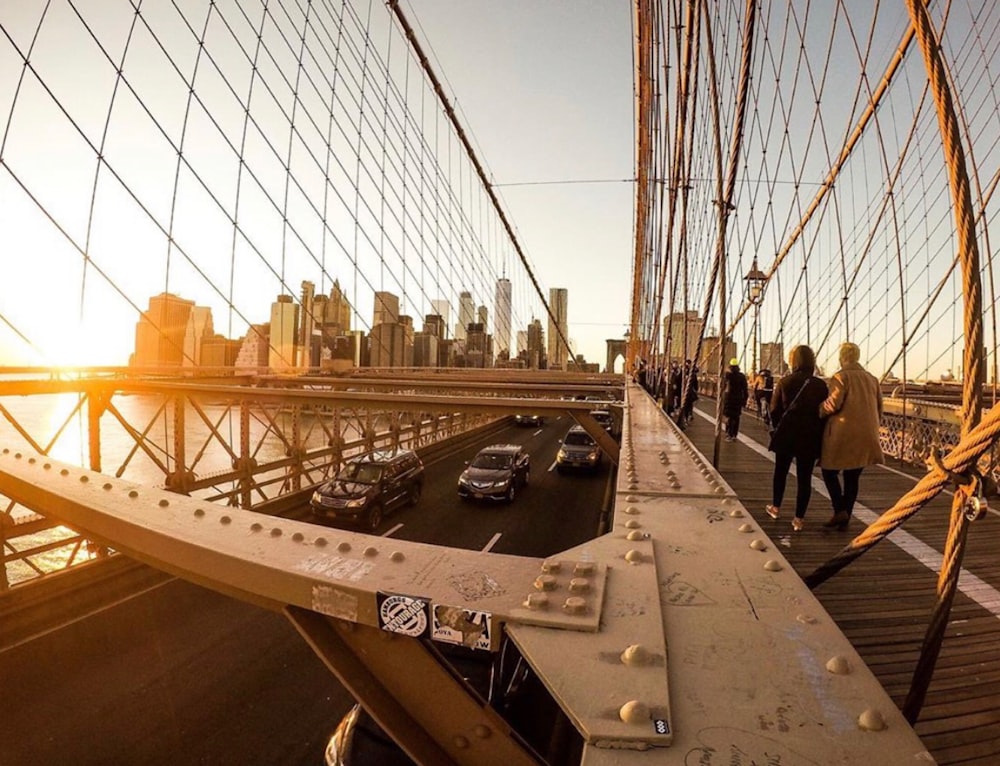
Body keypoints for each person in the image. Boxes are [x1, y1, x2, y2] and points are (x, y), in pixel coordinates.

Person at [818, 342, 884, 531]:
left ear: (842, 357)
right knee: (852, 477)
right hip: (866, 435)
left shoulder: (841, 376)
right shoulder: (872, 379)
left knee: (828, 471)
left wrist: (818, 411)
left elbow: (833, 404)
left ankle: (839, 509)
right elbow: (879, 407)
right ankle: (844, 517)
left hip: (843, 434)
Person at [765, 345, 829, 532]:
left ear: (794, 361)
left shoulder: (785, 382)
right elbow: (824, 413)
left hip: (787, 434)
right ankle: (798, 519)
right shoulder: (820, 385)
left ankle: (775, 507)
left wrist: (777, 427)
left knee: (781, 472)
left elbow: (774, 410)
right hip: (809, 436)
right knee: (804, 478)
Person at [722, 358, 749, 441]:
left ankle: (728, 434)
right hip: (738, 399)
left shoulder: (727, 375)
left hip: (728, 399)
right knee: (736, 417)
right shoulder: (742, 376)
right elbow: (745, 389)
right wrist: (744, 400)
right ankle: (734, 434)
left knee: (728, 417)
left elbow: (722, 387)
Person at [680, 360, 698, 426]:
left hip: (690, 392)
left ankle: (688, 416)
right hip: (684, 391)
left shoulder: (692, 373)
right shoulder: (683, 372)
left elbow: (695, 382)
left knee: (689, 405)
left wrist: (696, 389)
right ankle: (685, 418)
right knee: (685, 405)